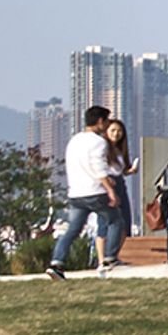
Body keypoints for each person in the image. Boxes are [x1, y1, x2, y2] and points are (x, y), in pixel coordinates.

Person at [46, 106, 123, 278]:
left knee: (73, 229)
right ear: (101, 121)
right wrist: (110, 190)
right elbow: (99, 168)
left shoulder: (74, 140)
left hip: (76, 193)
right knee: (116, 220)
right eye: (107, 121)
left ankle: (57, 263)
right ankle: (110, 258)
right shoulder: (99, 142)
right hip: (95, 192)